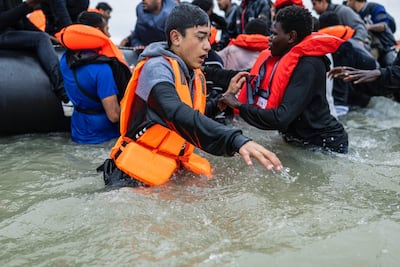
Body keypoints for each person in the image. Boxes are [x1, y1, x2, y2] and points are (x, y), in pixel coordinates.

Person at [101, 4, 282, 188]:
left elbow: (194, 113)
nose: (208, 45)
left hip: (169, 168)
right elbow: (174, 112)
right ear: (176, 37)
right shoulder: (156, 68)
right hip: (130, 179)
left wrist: (222, 100)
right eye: (201, 37)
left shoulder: (193, 73)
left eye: (208, 37)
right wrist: (235, 140)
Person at [220, 5, 349, 153]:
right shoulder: (281, 59)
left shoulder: (309, 65)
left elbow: (281, 118)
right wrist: (205, 71)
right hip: (298, 140)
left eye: (274, 34)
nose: (269, 39)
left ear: (291, 37)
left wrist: (238, 105)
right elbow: (245, 76)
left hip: (324, 145)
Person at [58, 11, 128, 144]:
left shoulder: (65, 59)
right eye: (107, 29)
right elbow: (113, 116)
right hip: (103, 138)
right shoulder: (102, 69)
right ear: (97, 31)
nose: (109, 35)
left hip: (78, 129)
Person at [0, 0, 69, 104]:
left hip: (10, 34)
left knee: (42, 37)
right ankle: (63, 92)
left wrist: (50, 38)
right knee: (41, 38)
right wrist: (27, 5)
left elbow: (23, 22)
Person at [345, 0, 397, 67]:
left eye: (348, 1)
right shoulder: (354, 14)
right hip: (372, 48)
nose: (347, 3)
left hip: (386, 46)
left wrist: (364, 27)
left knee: (392, 67)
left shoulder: (374, 7)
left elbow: (383, 26)